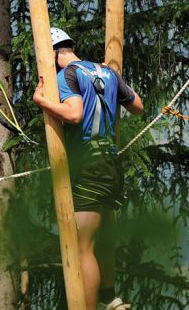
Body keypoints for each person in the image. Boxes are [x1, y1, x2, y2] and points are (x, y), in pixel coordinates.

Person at [32, 27, 144, 310]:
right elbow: (138, 106)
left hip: (89, 166)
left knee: (83, 247)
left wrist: (43, 101)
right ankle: (110, 295)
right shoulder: (106, 72)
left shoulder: (66, 75)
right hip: (111, 164)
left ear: (55, 53)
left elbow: (74, 113)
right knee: (101, 237)